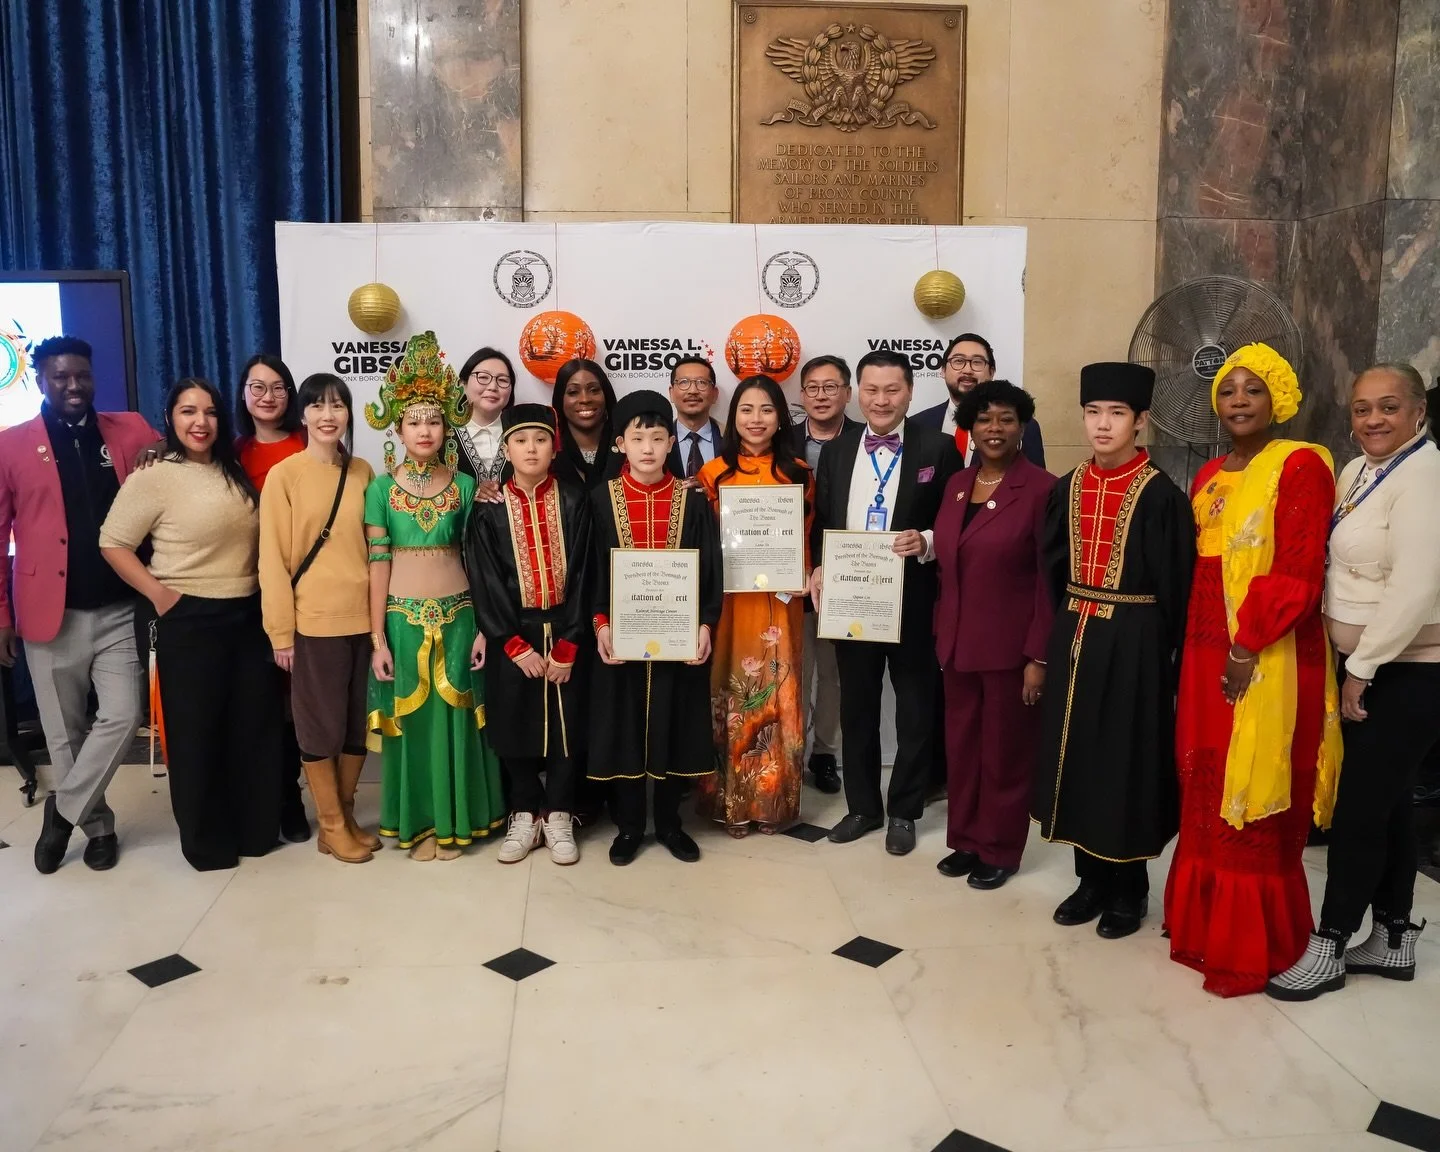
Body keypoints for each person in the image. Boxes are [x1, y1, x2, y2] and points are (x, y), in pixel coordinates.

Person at [1163, 345, 1342, 996]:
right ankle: (1201, 926)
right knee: (1204, 778)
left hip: (1264, 654)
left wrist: (1246, 648)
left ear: (1280, 400)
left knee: (1254, 788)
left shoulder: (1298, 465)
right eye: (1229, 390)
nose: (1238, 399)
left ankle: (1252, 942)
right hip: (1204, 649)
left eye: (1254, 389)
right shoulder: (1210, 471)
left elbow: (1297, 570)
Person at [1267, 363, 1440, 1000]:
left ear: (1418, 410)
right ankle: (1394, 937)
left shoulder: (1425, 476)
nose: (1373, 420)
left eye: (1389, 407)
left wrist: (1361, 670)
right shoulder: (1359, 470)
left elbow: (1416, 587)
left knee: (1359, 808)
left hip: (1407, 670)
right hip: (1365, 663)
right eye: (1362, 408)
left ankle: (1330, 944)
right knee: (1388, 802)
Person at [1031, 362, 1194, 938]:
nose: (1103, 425)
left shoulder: (1161, 495)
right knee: (1076, 758)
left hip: (1136, 642)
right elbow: (1051, 570)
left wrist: (1163, 658)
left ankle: (1130, 889)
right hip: (1075, 632)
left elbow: (1176, 585)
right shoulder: (1067, 487)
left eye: (1117, 414)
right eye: (1094, 413)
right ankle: (1089, 880)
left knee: (1124, 760)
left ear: (1141, 421)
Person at [99, 378, 285, 871]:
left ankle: (254, 829)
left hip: (246, 615)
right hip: (188, 617)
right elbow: (113, 542)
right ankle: (207, 842)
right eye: (187, 412)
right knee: (195, 734)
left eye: (209, 412)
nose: (199, 422)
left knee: (251, 727)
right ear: (171, 419)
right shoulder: (155, 473)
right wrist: (161, 595)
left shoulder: (232, 468)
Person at [0, 336, 158, 874]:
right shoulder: (11, 444)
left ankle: (60, 812)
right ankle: (98, 827)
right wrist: (2, 615)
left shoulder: (131, 429)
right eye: (61, 377)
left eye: (82, 376)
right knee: (65, 731)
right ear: (41, 379)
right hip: (50, 611)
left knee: (123, 714)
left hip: (117, 606)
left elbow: (176, 457)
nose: (74, 386)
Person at [809, 349, 961, 855]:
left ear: (910, 392)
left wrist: (928, 542)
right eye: (871, 390)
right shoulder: (838, 450)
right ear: (857, 393)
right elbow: (824, 521)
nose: (881, 400)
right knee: (857, 708)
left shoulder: (938, 448)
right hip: (853, 600)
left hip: (913, 599)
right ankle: (862, 808)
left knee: (916, 709)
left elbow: (954, 523)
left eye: (891, 390)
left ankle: (904, 811)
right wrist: (818, 566)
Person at [363, 332, 505, 861]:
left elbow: (481, 563)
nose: (425, 429)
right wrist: (376, 638)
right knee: (414, 725)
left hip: (463, 616)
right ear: (397, 427)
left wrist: (490, 627)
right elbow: (378, 565)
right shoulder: (379, 489)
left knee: (463, 722)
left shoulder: (467, 487)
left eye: (434, 420)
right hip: (400, 621)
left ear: (448, 427)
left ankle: (463, 818)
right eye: (414, 420)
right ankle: (418, 822)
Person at [589, 389, 723, 864]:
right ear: (620, 444)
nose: (648, 448)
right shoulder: (599, 502)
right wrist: (601, 624)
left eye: (658, 437)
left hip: (677, 640)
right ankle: (628, 827)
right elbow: (589, 572)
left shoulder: (693, 502)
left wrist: (707, 623)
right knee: (623, 729)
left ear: (672, 443)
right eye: (637, 437)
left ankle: (669, 823)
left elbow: (711, 569)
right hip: (621, 644)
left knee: (676, 727)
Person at [931, 379, 1055, 889]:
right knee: (962, 747)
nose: (995, 428)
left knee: (1005, 753)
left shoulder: (1043, 489)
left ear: (1022, 426)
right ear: (969, 428)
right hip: (957, 644)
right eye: (984, 419)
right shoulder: (957, 484)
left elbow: (1051, 582)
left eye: (1006, 419)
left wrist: (1038, 656)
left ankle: (1000, 847)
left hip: (1010, 650)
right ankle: (965, 838)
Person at [259, 373, 378, 865]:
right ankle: (329, 824)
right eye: (318, 405)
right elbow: (272, 560)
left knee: (354, 725)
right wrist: (280, 632)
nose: (329, 415)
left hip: (364, 619)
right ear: (303, 414)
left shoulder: (364, 471)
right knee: (319, 727)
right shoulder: (285, 476)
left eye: (338, 405)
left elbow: (377, 548)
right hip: (314, 622)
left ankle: (345, 816)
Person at [467, 404, 594, 865]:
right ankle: (524, 810)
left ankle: (559, 811)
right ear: (506, 449)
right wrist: (512, 643)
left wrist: (570, 642)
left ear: (553, 446)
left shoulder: (576, 501)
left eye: (540, 439)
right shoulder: (488, 510)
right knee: (513, 721)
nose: (531, 448)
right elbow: (484, 579)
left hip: (565, 630)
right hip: (513, 635)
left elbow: (585, 574)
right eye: (521, 441)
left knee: (566, 725)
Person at [697, 375, 813, 836]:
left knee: (778, 692)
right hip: (729, 602)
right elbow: (705, 545)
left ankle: (772, 803)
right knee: (731, 692)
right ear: (733, 417)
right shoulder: (713, 474)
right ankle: (730, 802)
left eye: (767, 409)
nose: (756, 419)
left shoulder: (799, 471)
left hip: (780, 603)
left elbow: (806, 537)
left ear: (780, 416)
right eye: (747, 409)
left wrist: (802, 574)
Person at [794, 354, 860, 795]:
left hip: (846, 572)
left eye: (830, 387)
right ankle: (789, 750)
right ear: (801, 395)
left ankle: (824, 753)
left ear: (847, 393)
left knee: (833, 672)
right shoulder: (780, 440)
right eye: (813, 388)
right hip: (786, 575)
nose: (821, 395)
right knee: (793, 669)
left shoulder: (864, 439)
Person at [912, 333, 1046, 467]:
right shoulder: (917, 425)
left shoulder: (1022, 426)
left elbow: (1036, 482)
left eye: (977, 362)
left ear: (992, 372)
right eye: (958, 361)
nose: (967, 370)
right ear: (942, 370)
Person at [551, 358, 620, 490]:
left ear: (606, 395)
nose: (585, 399)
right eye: (573, 392)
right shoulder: (548, 451)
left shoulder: (627, 447)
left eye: (594, 390)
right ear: (560, 399)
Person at [453, 346, 516, 482]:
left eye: (503, 380)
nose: (493, 387)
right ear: (463, 384)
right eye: (483, 377)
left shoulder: (522, 432)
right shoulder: (443, 433)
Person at [668, 354, 724, 480]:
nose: (692, 390)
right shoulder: (659, 442)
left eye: (701, 383)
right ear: (671, 393)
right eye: (683, 382)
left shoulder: (733, 441)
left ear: (714, 394)